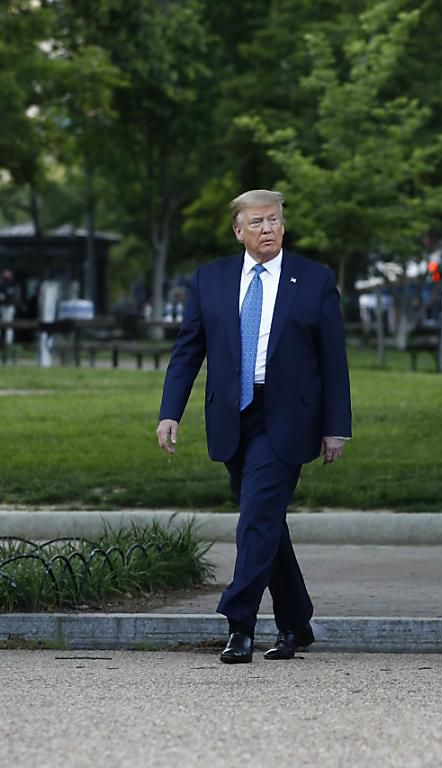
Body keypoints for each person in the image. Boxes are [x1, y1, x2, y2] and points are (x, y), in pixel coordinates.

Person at [156, 189, 352, 664]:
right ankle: (296, 622)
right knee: (266, 522)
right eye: (258, 222)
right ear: (238, 231)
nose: (268, 229)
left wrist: (336, 426)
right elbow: (188, 351)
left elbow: (333, 360)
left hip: (288, 417)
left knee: (256, 518)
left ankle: (239, 622)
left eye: (275, 221)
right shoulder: (210, 279)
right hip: (232, 416)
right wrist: (170, 412)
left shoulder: (314, 280)